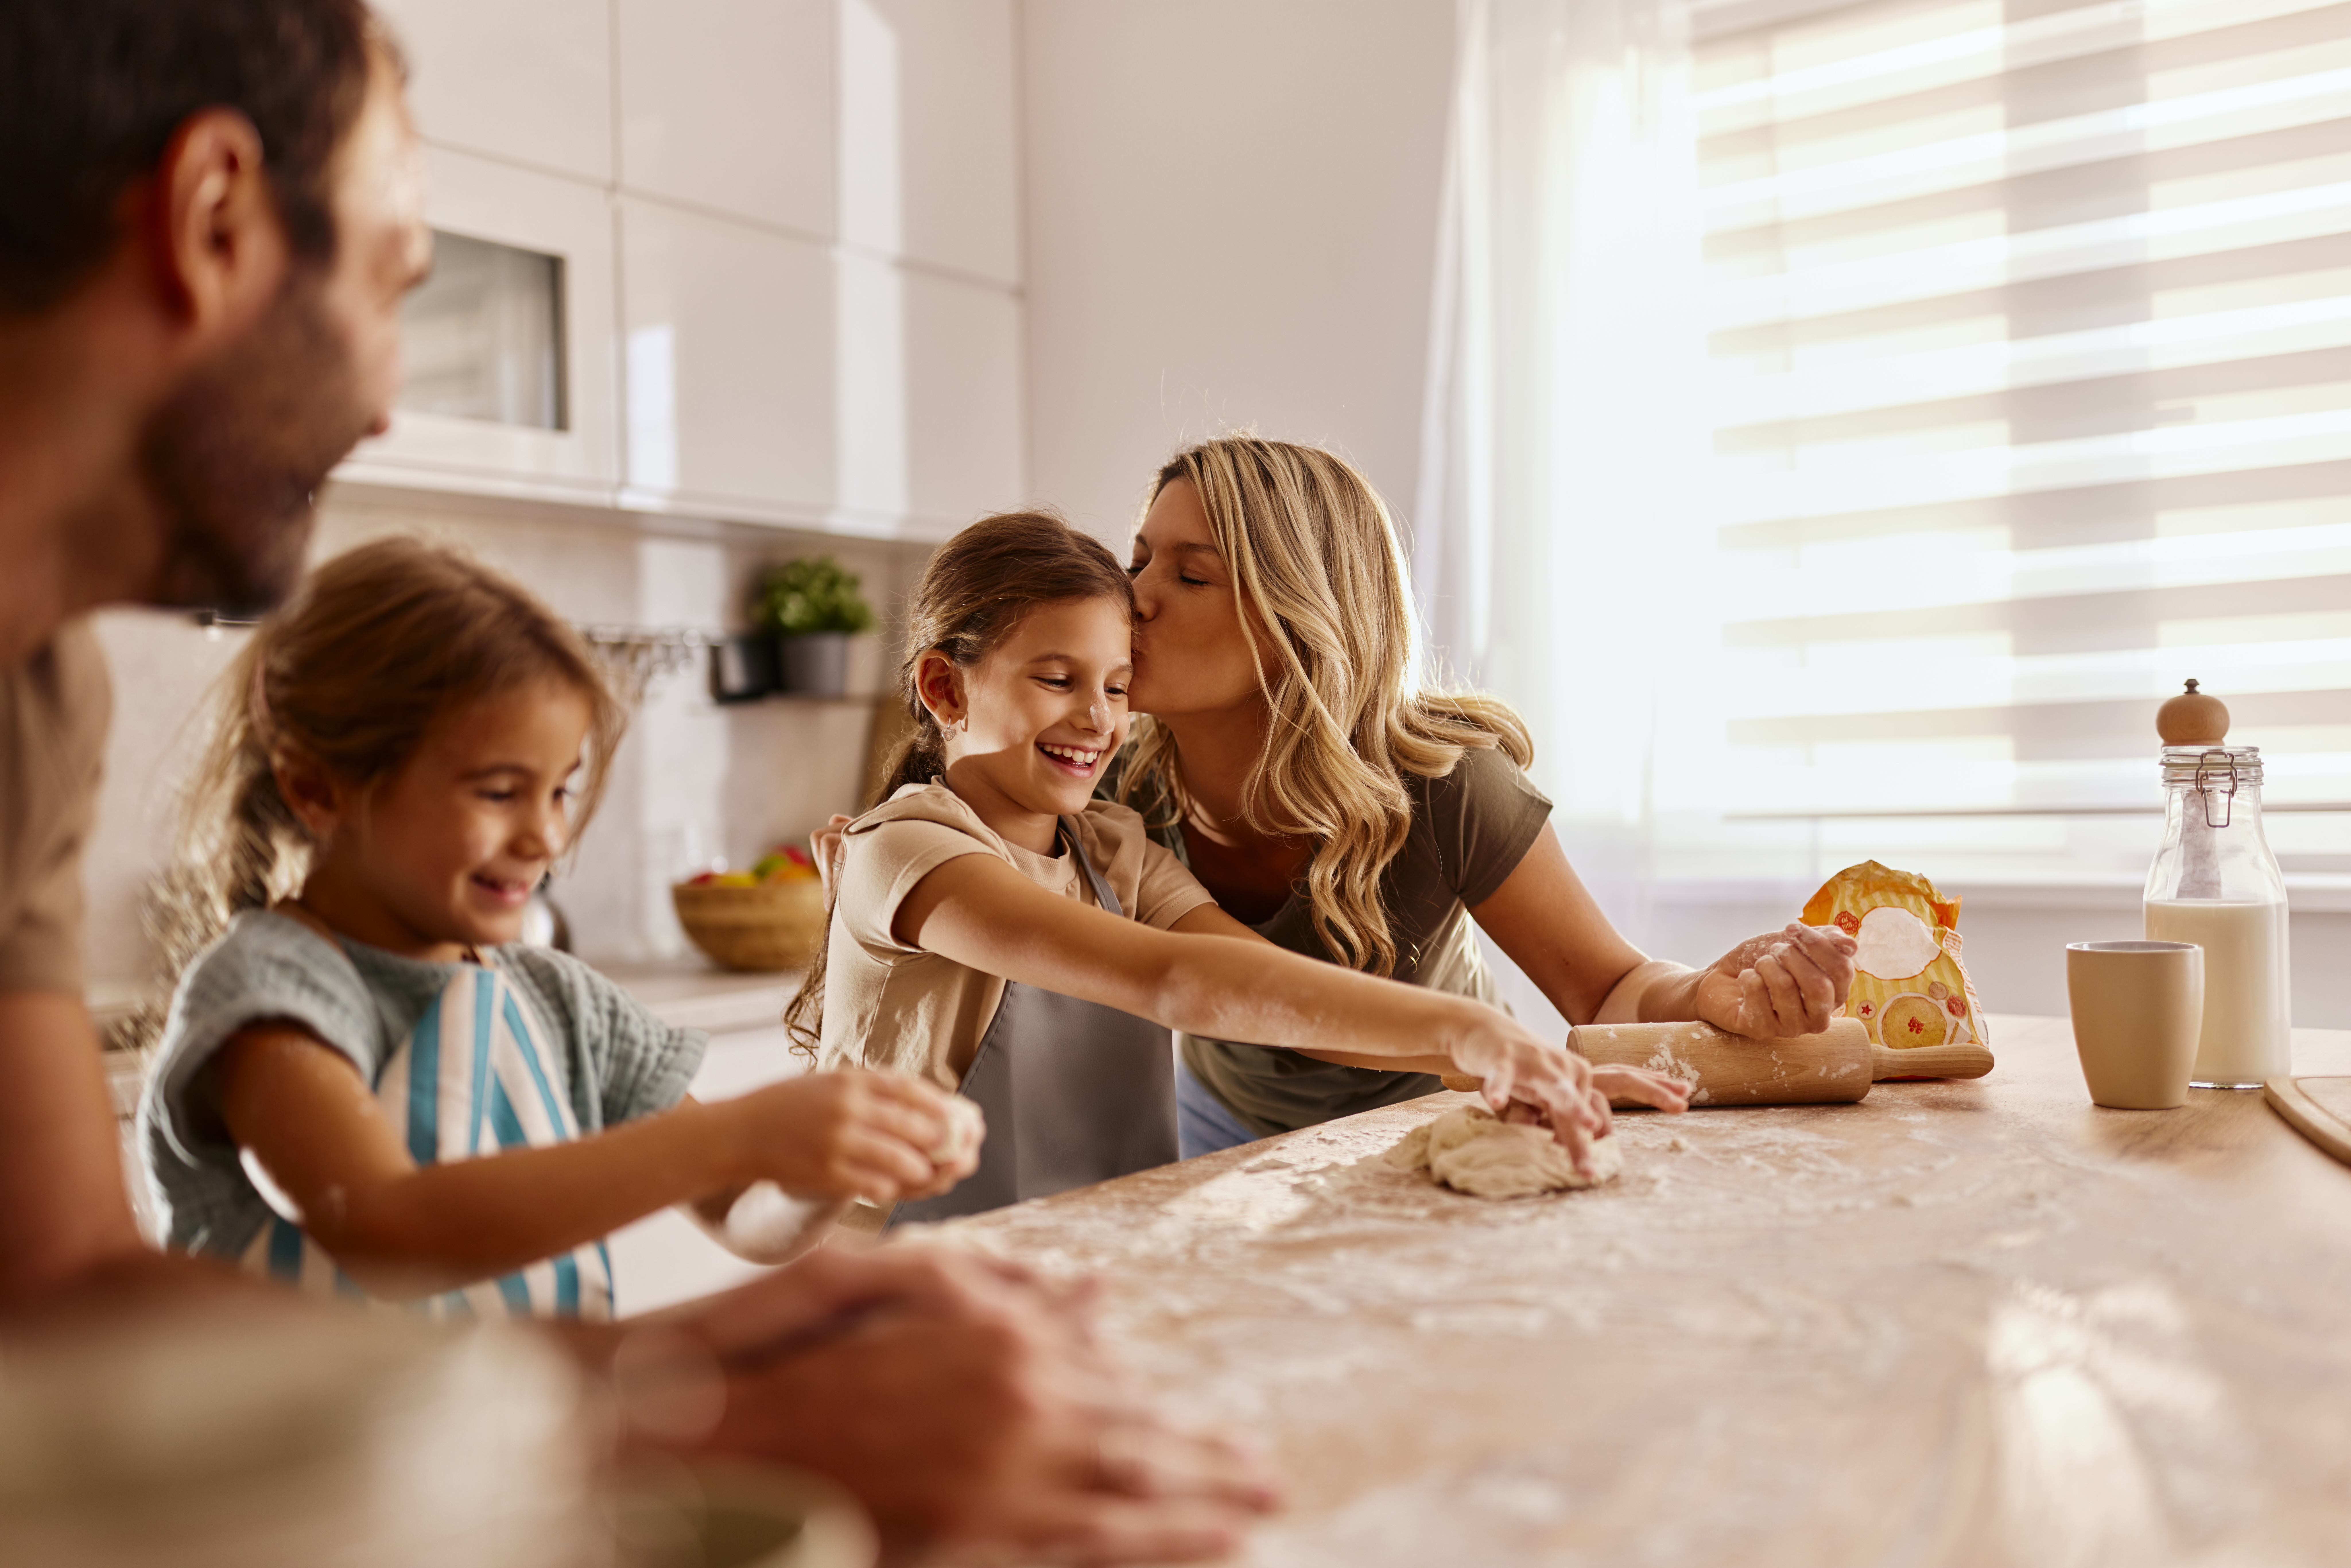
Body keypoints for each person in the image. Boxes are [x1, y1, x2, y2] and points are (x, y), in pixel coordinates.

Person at [0, 2, 1273, 1559]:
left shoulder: (33, 687)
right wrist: (681, 1384)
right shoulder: (278, 985)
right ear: (211, 221)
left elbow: (56, 1295)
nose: (388, 402)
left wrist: (722, 1355)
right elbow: (358, 1232)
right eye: (398, 287)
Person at [138, 537, 974, 1311]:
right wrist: (738, 1133)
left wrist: (827, 1167)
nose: (547, 837)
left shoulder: (559, 1003)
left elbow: (745, 1221)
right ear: (320, 790)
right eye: (499, 793)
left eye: (560, 792)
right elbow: (388, 1227)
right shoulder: (270, 994)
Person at [791, 511, 1689, 1219]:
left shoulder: (1114, 846)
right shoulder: (912, 848)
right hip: (926, 1267)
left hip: (1093, 1239)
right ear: (946, 688)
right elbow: (1179, 980)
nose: (1101, 719)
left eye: (1114, 686)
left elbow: (1270, 991)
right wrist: (1471, 1033)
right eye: (1059, 682)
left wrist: (1522, 1058)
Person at [1114, 435, 1859, 1156]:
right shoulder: (1115, 788)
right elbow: (1215, 984)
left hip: (1440, 1108)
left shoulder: (1446, 783)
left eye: (1192, 576)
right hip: (1214, 1115)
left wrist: (1702, 993)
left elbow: (1608, 989)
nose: (1129, 597)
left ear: (1301, 617)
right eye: (1138, 560)